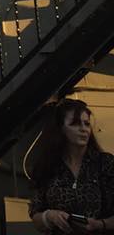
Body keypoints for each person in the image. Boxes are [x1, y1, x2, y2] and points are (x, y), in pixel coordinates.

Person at [29, 98, 114, 233]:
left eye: (87, 124)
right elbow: (36, 215)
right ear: (61, 129)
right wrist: (49, 216)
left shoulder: (105, 163)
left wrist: (100, 224)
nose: (83, 129)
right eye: (75, 124)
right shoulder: (48, 166)